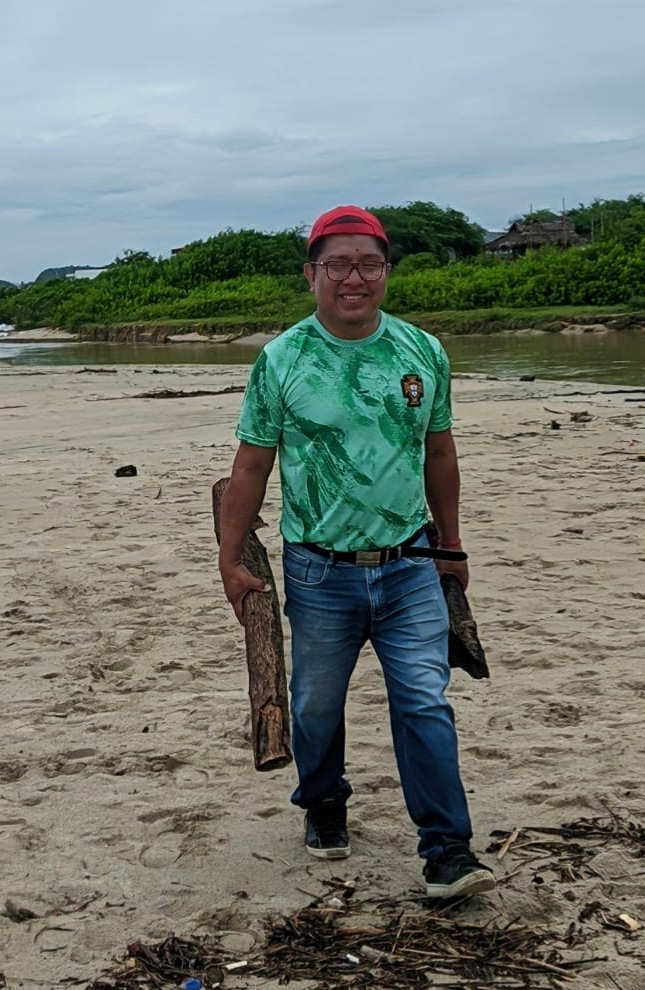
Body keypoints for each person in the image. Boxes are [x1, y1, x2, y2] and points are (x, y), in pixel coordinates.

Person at [218, 205, 495, 899]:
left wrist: (452, 544)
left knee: (424, 702)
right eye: (337, 264)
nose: (354, 278)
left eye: (369, 264)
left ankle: (448, 850)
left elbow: (439, 452)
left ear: (387, 272)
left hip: (410, 565)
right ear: (311, 274)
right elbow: (251, 466)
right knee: (314, 704)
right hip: (319, 571)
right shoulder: (282, 359)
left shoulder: (421, 351)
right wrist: (231, 557)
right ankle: (323, 801)